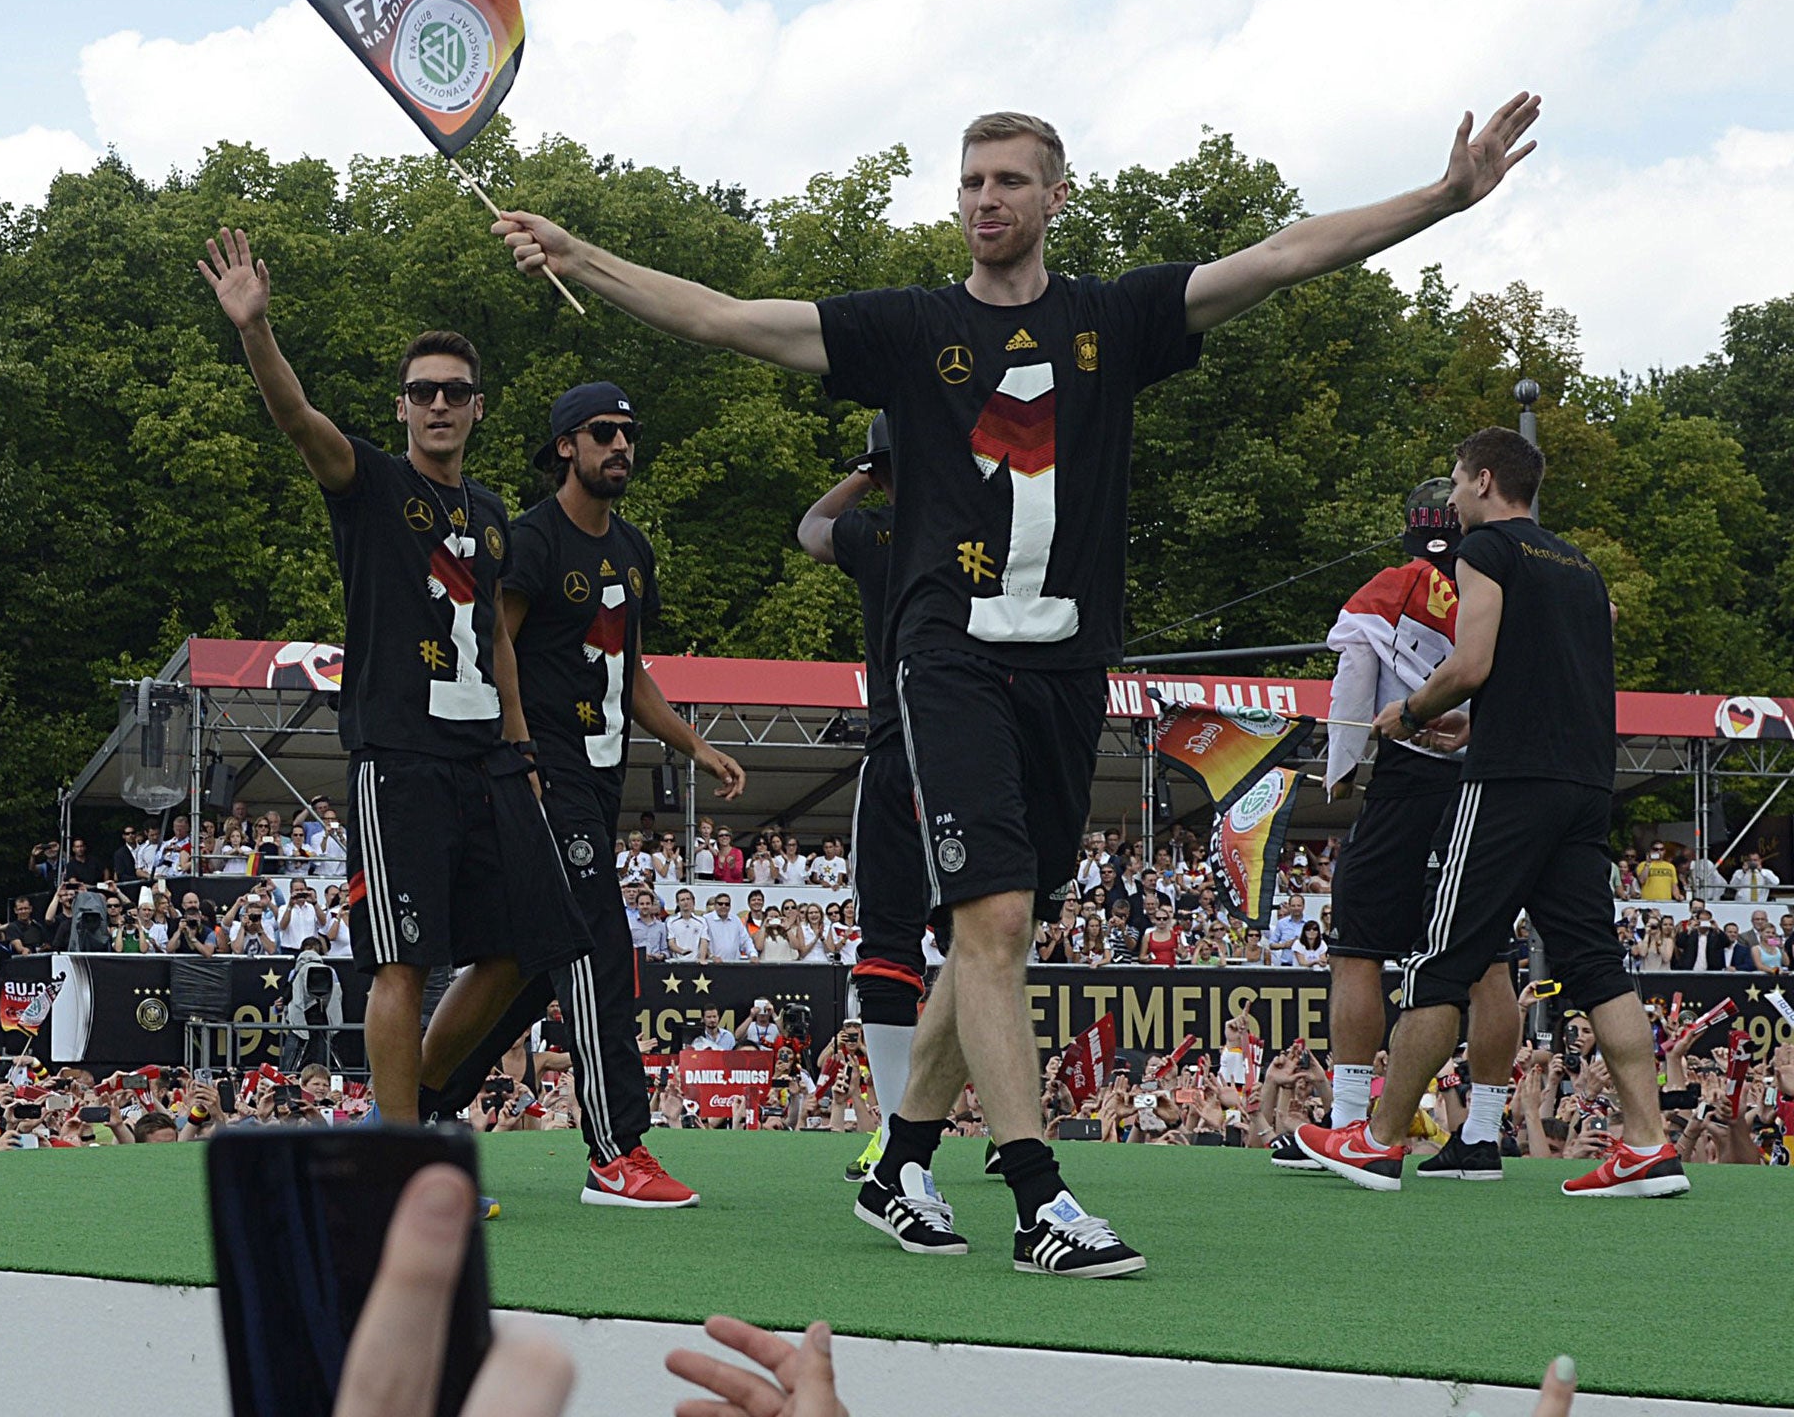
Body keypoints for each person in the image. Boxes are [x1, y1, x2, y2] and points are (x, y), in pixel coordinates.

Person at [496, 92, 1541, 1274]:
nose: (984, 199)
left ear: (1055, 195)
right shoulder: (905, 329)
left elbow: (1286, 255)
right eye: (969, 181)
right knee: (988, 922)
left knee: (1007, 934)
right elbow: (729, 318)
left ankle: (897, 1164)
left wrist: (1440, 198)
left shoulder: (1116, 318)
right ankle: (1037, 1194)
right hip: (947, 657)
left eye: (1006, 180)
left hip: (1064, 670)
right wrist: (582, 255)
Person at [198, 227, 588, 1128]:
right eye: (423, 392)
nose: (438, 404)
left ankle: (403, 1111)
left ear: (479, 408)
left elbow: (497, 639)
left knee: (527, 947)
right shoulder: (368, 483)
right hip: (400, 755)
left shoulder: (494, 518)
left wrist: (523, 751)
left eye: (454, 392)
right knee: (403, 962)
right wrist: (255, 330)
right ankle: (400, 1150)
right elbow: (296, 416)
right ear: (403, 406)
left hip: (487, 760)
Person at [1295, 427, 1686, 1198]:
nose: (1450, 493)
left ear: (1481, 480)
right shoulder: (1578, 565)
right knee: (1596, 967)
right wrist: (1476, 722)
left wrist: (1409, 711)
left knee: (1442, 962)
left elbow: (1469, 664)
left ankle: (1376, 1142)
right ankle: (1649, 1144)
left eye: (1454, 478)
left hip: (1508, 788)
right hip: (1581, 784)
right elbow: (1554, 676)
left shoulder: (1485, 553)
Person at [414, 382, 744, 1209]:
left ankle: (409, 1113)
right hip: (542, 776)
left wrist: (695, 744)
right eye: (604, 433)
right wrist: (520, 753)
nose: (621, 446)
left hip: (598, 783)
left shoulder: (632, 551)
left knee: (523, 966)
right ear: (565, 444)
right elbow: (497, 648)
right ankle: (614, 1150)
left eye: (629, 433)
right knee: (599, 949)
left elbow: (629, 675)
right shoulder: (529, 538)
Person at [1275, 478, 1522, 1179]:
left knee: (1356, 948)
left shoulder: (1388, 588)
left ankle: (1350, 1122)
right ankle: (1479, 1135)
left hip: (1409, 778)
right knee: (1488, 960)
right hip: (1483, 784)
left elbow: (1354, 681)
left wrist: (1341, 772)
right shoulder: (1499, 586)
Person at [799, 413, 932, 1187]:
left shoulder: (875, 532)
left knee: (887, 945)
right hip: (975, 759)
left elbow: (812, 526)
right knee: (989, 947)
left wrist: (866, 470)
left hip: (897, 753)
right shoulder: (984, 525)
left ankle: (897, 1134)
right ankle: (1003, 1128)